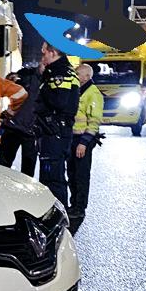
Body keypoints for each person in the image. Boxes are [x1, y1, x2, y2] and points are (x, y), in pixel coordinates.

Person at [34, 41, 80, 205]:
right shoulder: (61, 71)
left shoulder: (59, 72)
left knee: (52, 178)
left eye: (44, 53)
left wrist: (44, 80)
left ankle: (58, 218)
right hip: (55, 131)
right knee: (51, 176)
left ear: (53, 52)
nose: (42, 56)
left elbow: (58, 101)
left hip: (55, 132)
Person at [66, 63, 103, 223]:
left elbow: (94, 122)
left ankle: (79, 208)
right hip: (73, 139)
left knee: (81, 175)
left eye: (78, 74)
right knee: (72, 173)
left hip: (83, 140)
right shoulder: (78, 90)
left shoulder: (93, 93)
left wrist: (84, 143)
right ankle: (74, 204)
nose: (75, 76)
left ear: (87, 76)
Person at [0, 65, 43, 176]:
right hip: (13, 127)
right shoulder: (26, 74)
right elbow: (9, 82)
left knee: (28, 170)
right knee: (3, 166)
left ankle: (24, 192)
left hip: (31, 131)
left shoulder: (49, 81)